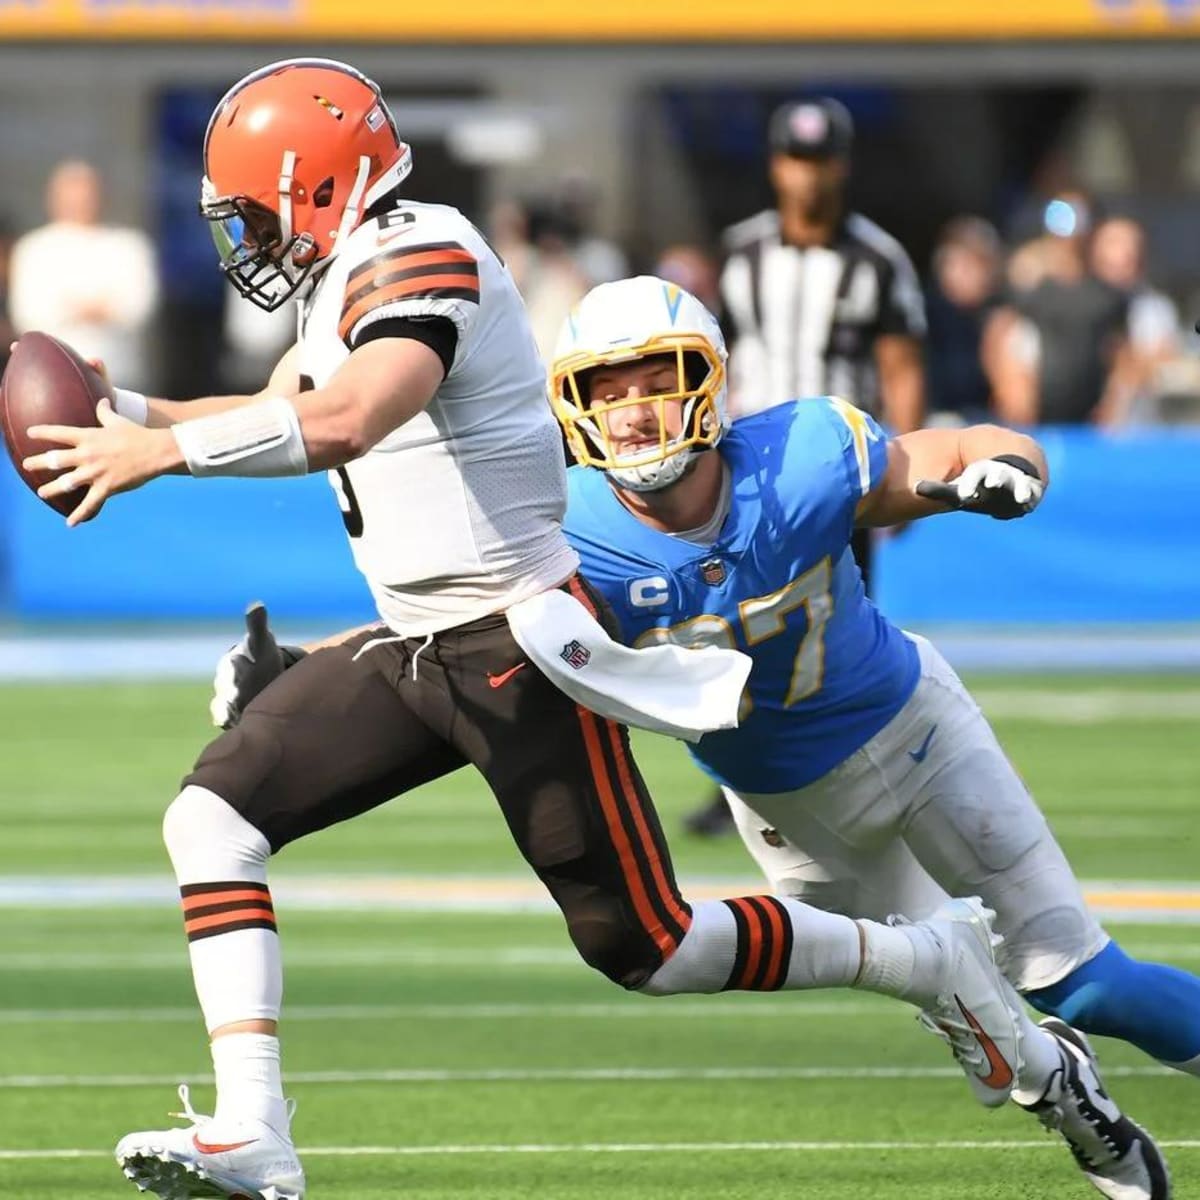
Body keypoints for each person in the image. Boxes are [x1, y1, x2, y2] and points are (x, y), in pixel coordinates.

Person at [21, 60, 1023, 1200]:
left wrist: (157, 456)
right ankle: (256, 1129)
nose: (244, 238)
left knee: (649, 949)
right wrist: (129, 410)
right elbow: (276, 408)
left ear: (316, 184)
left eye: (253, 209)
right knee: (211, 820)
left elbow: (349, 416)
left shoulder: (422, 252)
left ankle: (925, 954)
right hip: (409, 648)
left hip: (519, 647)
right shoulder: (344, 270)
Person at [550, 274, 1188, 1200]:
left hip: (915, 732)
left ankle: (1078, 1053)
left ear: (708, 382)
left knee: (1084, 985)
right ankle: (1072, 1102)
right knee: (960, 1004)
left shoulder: (800, 456)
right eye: (608, 388)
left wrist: (1008, 467)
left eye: (657, 377)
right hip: (785, 810)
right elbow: (456, 643)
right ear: (573, 405)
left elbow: (964, 447)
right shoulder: (563, 531)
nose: (635, 409)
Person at [687, 97, 927, 837]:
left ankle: (860, 775)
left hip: (841, 478)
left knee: (841, 633)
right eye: (796, 159)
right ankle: (746, 784)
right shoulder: (740, 253)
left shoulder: (877, 259)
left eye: (819, 161)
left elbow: (902, 365)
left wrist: (905, 469)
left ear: (841, 166)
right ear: (775, 164)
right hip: (749, 477)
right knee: (736, 632)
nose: (807, 177)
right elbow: (703, 356)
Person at [8, 159, 158, 390]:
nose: (80, 201)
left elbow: (139, 306)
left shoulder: (129, 245)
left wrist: (73, 306)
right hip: (50, 379)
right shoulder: (34, 249)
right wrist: (97, 307)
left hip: (121, 375)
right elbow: (29, 314)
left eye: (87, 193)